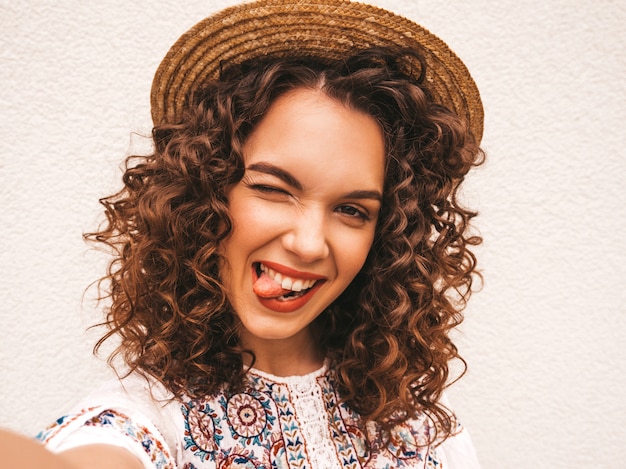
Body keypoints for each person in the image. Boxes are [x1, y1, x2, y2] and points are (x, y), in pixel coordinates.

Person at [1, 0, 485, 467]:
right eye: (274, 190)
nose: (310, 243)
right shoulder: (145, 420)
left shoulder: (423, 429)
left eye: (352, 210)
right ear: (205, 191)